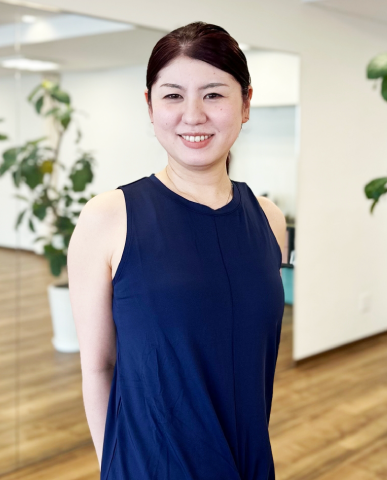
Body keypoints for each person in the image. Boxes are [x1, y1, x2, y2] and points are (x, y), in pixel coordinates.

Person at [68, 21, 286, 480]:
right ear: (150, 106)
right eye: (172, 95)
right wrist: (115, 468)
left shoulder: (269, 220)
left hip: (249, 463)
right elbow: (99, 368)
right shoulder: (109, 217)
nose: (193, 115)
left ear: (246, 103)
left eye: (213, 94)